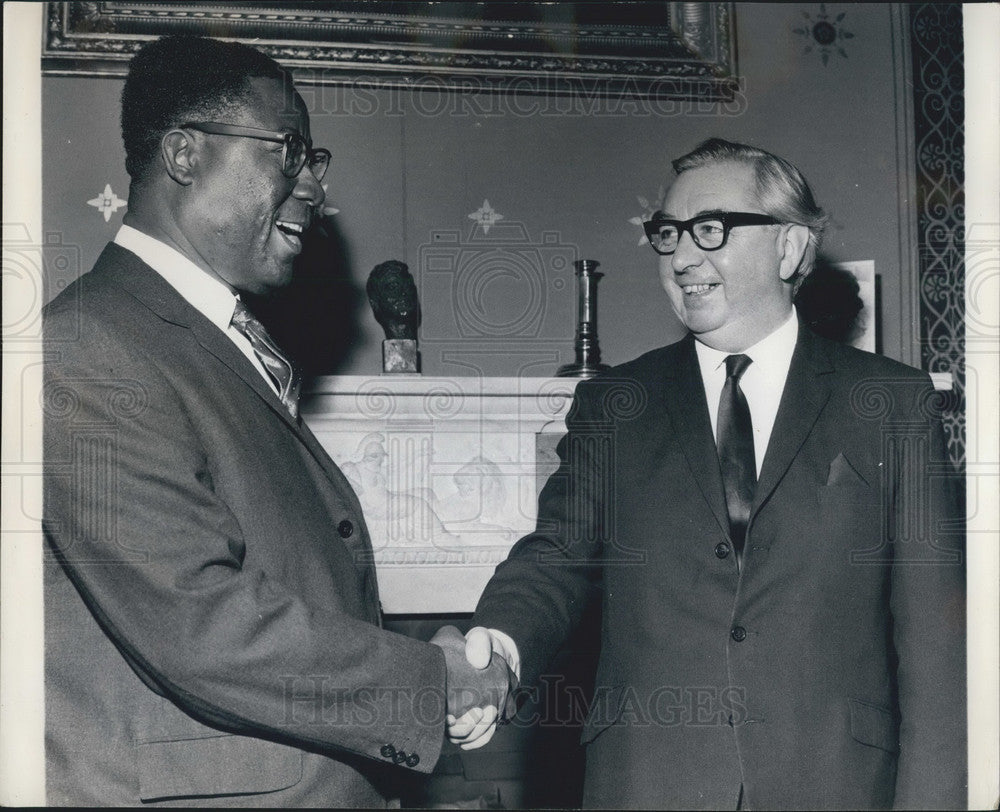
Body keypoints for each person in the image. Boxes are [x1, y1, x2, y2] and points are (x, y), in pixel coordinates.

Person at [42, 35, 511, 807]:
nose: (315, 191)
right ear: (185, 154)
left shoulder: (201, 338)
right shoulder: (87, 347)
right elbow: (202, 627)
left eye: (313, 159)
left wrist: (417, 655)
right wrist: (432, 680)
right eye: (288, 154)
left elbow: (292, 584)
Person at [450, 138, 966, 809]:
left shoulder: (892, 404)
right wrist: (501, 644)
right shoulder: (615, 404)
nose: (682, 257)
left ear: (790, 249)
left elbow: (939, 651)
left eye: (711, 230)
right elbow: (555, 559)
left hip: (835, 785)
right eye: (668, 234)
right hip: (648, 782)